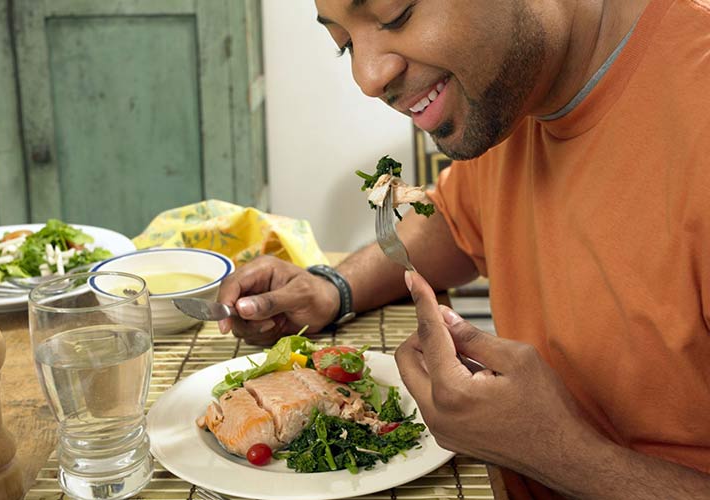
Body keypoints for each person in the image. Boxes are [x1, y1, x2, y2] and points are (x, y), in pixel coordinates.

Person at [217, 0, 710, 497]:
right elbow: (456, 222)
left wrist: (557, 451)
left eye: (397, 14)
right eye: (344, 46)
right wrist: (333, 288)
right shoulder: (514, 94)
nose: (367, 78)